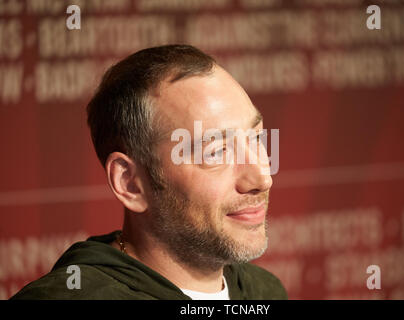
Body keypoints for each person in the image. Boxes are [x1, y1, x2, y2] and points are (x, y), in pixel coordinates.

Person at [11, 44, 287, 300]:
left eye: (256, 138)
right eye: (216, 152)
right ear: (131, 183)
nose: (262, 178)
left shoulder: (264, 291)